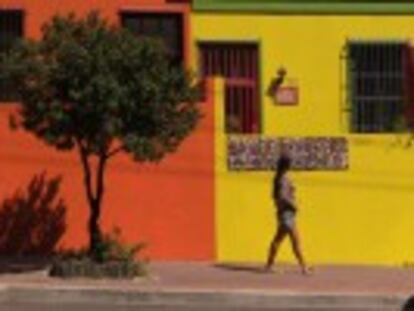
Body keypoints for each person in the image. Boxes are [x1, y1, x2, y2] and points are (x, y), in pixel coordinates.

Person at [265, 155, 312, 275]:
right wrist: (293, 204)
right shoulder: (282, 179)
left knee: (278, 240)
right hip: (287, 213)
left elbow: (276, 197)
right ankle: (304, 267)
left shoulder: (278, 178)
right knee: (295, 240)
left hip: (284, 213)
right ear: (287, 165)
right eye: (290, 163)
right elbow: (282, 196)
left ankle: (269, 265)